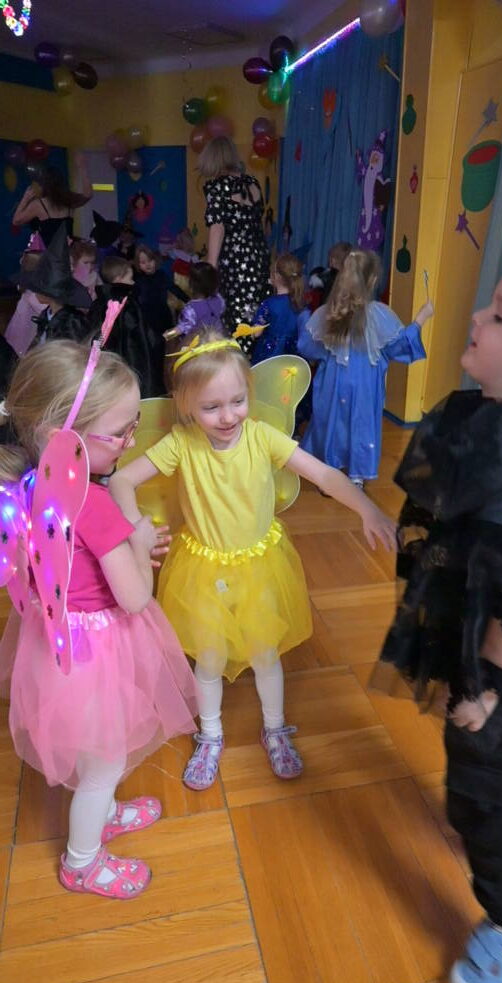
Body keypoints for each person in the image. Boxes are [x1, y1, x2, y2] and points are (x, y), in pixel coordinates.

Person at [374, 185, 502, 983]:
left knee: (480, 772)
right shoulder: (491, 417)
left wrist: (482, 691)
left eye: (498, 315)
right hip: (498, 635)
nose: (476, 320)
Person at [109, 326, 396, 791]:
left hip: (260, 565)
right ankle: (210, 734)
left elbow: (323, 474)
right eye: (211, 407)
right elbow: (122, 480)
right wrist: (135, 527)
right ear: (185, 404)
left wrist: (366, 507)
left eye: (237, 401)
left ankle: (275, 728)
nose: (228, 416)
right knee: (208, 658)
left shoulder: (262, 437)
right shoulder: (181, 443)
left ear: (249, 392)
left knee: (265, 654)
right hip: (202, 569)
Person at [0, 339, 198, 898]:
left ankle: (103, 810)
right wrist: (139, 541)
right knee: (106, 760)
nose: (131, 441)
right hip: (96, 651)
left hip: (57, 643)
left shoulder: (28, 483)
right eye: (121, 432)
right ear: (60, 433)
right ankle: (81, 862)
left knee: (95, 749)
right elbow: (135, 598)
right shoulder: (95, 503)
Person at [298, 249, 433, 488]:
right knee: (361, 424)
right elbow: (398, 346)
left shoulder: (328, 312)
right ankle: (356, 477)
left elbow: (306, 346)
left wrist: (325, 347)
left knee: (332, 421)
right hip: (365, 384)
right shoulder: (379, 315)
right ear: (371, 281)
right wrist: (421, 318)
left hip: (333, 381)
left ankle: (329, 473)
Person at [199, 136, 270, 353]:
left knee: (235, 324)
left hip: (234, 264)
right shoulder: (253, 184)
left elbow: (217, 228)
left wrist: (210, 268)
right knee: (257, 319)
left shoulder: (217, 187)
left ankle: (238, 365)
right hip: (258, 260)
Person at [88, 256, 166, 398]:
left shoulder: (98, 304)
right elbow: (140, 338)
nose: (133, 282)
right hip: (129, 365)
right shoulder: (128, 306)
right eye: (130, 279)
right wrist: (159, 340)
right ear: (119, 279)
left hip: (106, 366)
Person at [13, 223, 91, 345]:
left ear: (49, 294)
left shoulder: (71, 323)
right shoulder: (47, 314)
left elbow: (69, 351)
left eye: (38, 289)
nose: (35, 292)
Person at [12, 152, 92, 244]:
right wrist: (82, 168)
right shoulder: (68, 200)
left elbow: (16, 221)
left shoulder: (39, 205)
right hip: (68, 251)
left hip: (51, 251)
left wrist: (25, 198)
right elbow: (88, 195)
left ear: (44, 184)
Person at [250, 253, 305, 364]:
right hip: (292, 356)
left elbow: (256, 333)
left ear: (276, 276)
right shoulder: (301, 304)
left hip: (268, 356)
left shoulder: (269, 303)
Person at [165, 262, 225, 347]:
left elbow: (182, 327)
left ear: (191, 284)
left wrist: (167, 335)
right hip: (218, 342)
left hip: (200, 347)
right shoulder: (219, 299)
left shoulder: (191, 309)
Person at [133, 244, 174, 338]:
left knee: (168, 339)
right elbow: (135, 300)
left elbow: (173, 288)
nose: (148, 264)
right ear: (138, 264)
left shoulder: (161, 275)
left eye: (150, 260)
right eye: (143, 262)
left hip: (164, 314)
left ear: (155, 260)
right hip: (148, 319)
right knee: (153, 341)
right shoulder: (138, 280)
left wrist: (187, 299)